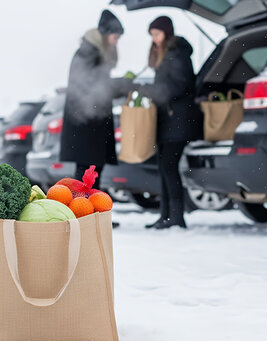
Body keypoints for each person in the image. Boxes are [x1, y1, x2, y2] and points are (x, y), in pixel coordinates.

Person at [137, 16, 203, 229]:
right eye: (152, 35)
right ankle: (165, 215)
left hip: (179, 119)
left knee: (169, 166)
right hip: (167, 120)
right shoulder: (164, 56)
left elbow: (179, 86)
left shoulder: (178, 54)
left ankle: (176, 217)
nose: (155, 40)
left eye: (157, 34)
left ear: (167, 32)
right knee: (164, 166)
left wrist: (149, 91)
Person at [60, 10, 133, 189]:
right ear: (105, 34)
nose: (116, 41)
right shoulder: (88, 52)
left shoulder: (95, 51)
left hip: (93, 124)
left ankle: (92, 214)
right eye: (115, 37)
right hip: (86, 125)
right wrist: (122, 84)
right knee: (87, 173)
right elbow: (92, 86)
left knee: (92, 172)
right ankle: (84, 213)